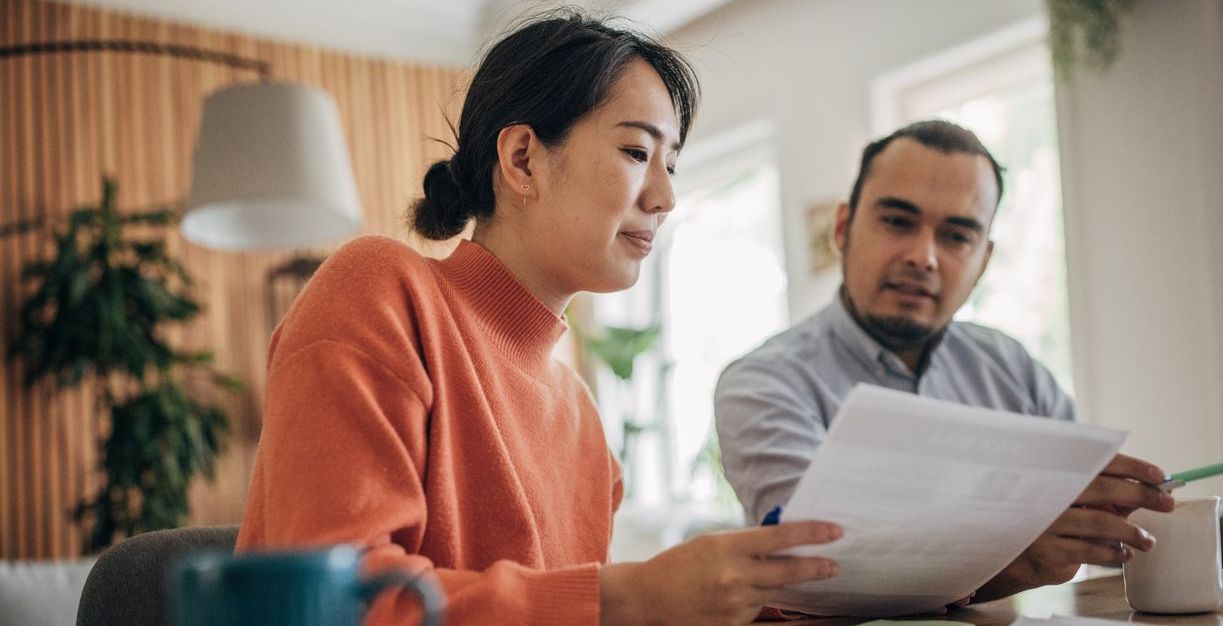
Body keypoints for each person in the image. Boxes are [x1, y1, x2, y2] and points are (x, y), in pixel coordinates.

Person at [236, 11, 847, 626]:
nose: (664, 199)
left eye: (672, 166)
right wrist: (629, 599)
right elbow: (326, 606)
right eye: (637, 151)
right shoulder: (381, 292)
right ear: (523, 159)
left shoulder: (582, 421)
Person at [714, 120, 1174, 601]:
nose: (924, 257)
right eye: (897, 221)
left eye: (957, 236)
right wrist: (1017, 556)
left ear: (983, 260)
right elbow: (817, 566)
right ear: (844, 227)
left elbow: (1080, 510)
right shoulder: (763, 382)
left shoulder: (1014, 373)